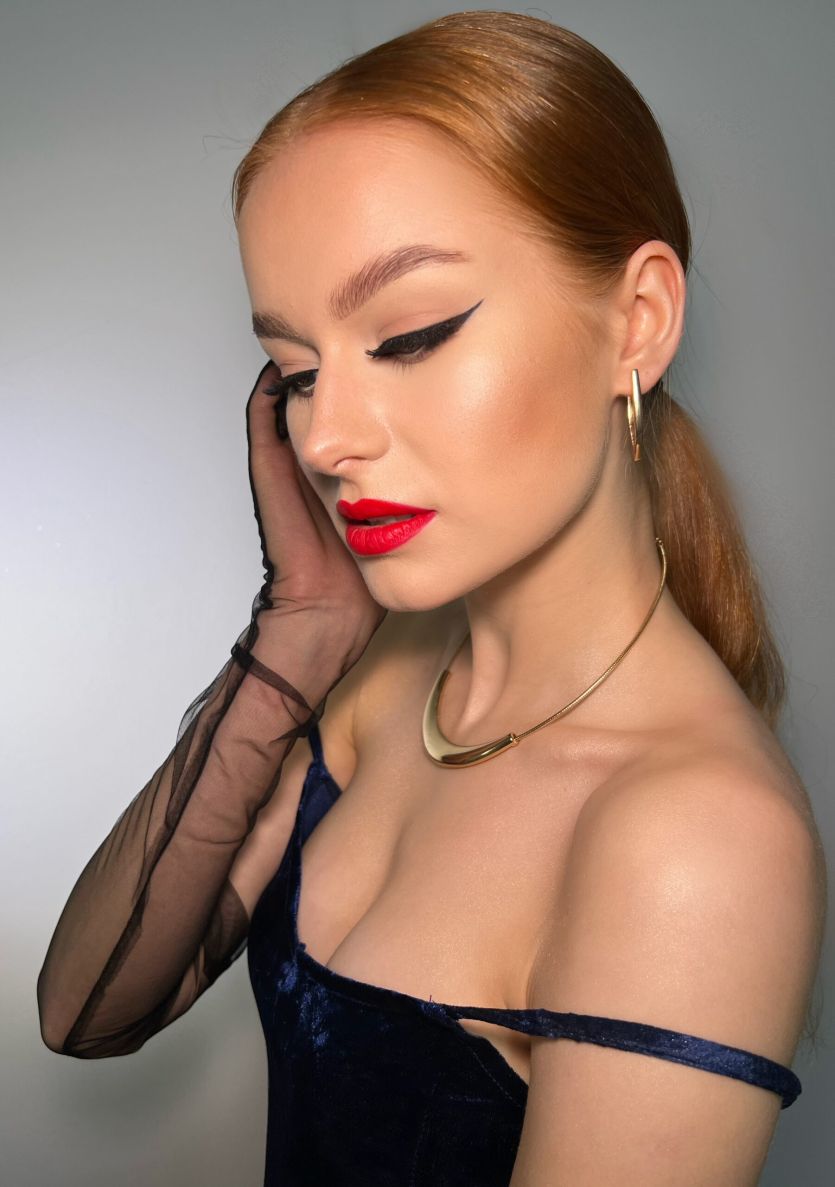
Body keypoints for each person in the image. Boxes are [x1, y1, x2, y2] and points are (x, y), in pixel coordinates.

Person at [37, 10, 826, 1185]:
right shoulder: (377, 688)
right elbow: (87, 1011)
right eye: (298, 371)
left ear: (638, 322)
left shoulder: (691, 841)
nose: (326, 437)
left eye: (408, 336)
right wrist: (300, 630)